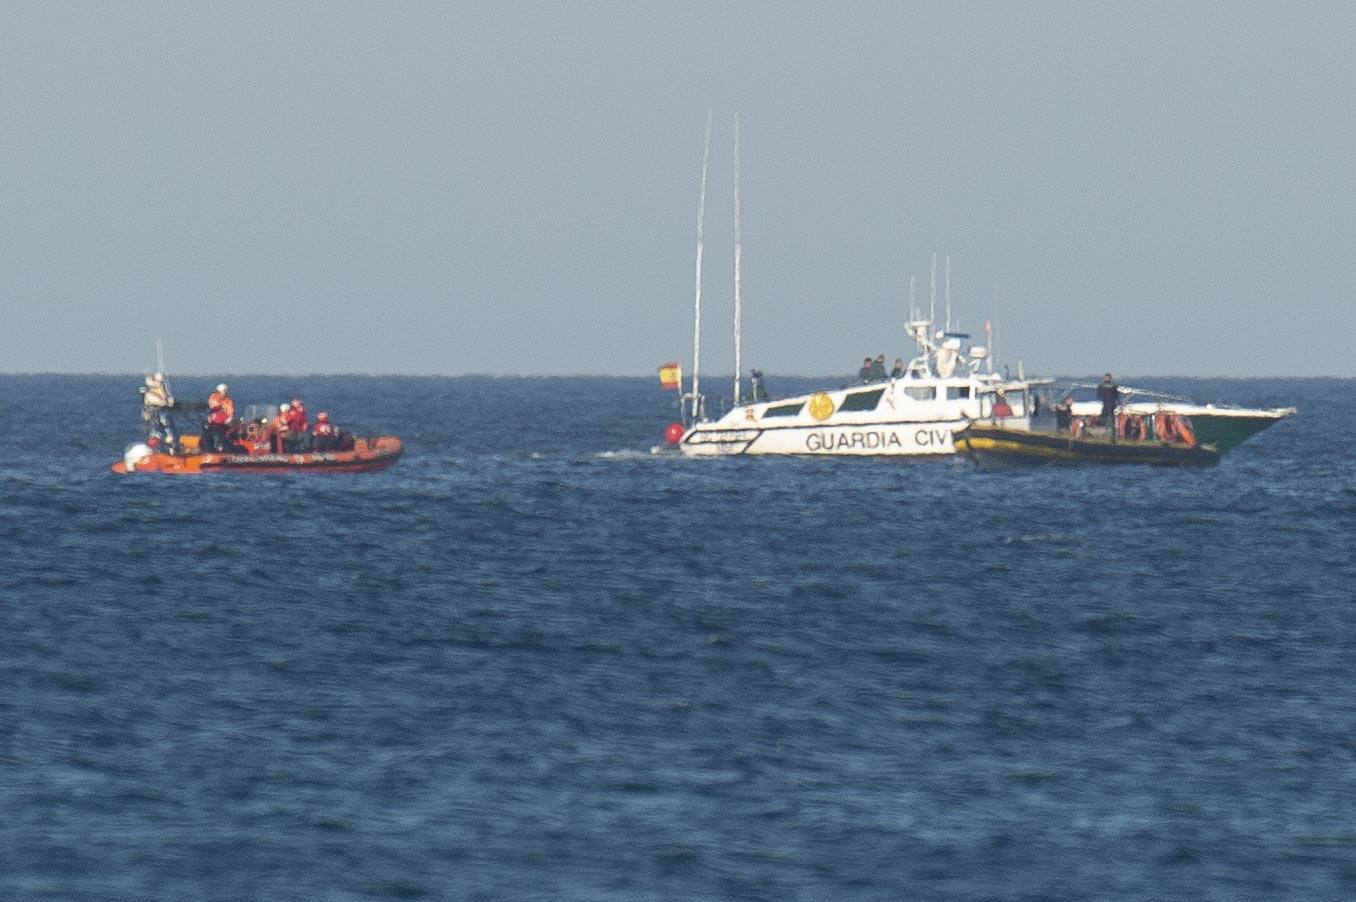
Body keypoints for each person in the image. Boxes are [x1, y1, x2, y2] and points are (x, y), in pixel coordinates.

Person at [140, 373, 175, 449]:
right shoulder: (150, 394)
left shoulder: (160, 389)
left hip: (161, 412)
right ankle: (162, 447)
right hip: (155, 413)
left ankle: (170, 447)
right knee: (157, 431)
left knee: (168, 431)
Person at [205, 383, 235, 452]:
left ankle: (222, 446)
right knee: (217, 433)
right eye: (222, 391)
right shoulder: (214, 398)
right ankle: (219, 447)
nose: (223, 393)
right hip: (216, 423)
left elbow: (230, 412)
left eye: (225, 391)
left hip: (223, 422)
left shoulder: (228, 401)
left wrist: (230, 419)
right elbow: (215, 407)